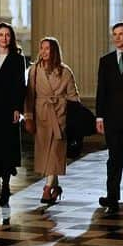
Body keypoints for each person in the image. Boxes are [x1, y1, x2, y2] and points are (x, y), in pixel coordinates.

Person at [24, 36, 82, 205]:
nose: (43, 52)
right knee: (46, 154)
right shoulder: (34, 70)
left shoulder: (65, 71)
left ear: (54, 51)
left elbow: (74, 96)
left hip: (59, 116)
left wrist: (72, 115)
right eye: (41, 48)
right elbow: (29, 96)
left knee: (55, 153)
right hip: (41, 114)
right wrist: (28, 116)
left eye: (47, 48)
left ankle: (48, 188)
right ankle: (55, 187)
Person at [95, 21, 123, 214]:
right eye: (115, 34)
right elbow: (101, 91)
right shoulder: (106, 61)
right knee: (114, 158)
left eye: (121, 34)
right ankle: (112, 196)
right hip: (112, 118)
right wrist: (99, 117)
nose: (117, 38)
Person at [0, 22, 26, 208]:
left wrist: (18, 108)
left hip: (8, 109)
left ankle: (6, 187)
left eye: (7, 35)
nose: (4, 38)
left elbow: (20, 85)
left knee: (6, 148)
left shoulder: (18, 58)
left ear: (11, 38)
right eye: (1, 35)